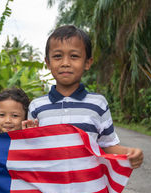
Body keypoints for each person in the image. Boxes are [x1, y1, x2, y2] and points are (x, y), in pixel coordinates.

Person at [23, 25, 143, 169]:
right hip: (50, 187)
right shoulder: (37, 106)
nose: (65, 63)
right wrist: (29, 136)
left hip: (88, 187)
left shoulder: (98, 104)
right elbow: (31, 151)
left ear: (87, 63)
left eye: (74, 56)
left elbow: (107, 146)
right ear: (48, 63)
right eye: (57, 56)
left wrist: (129, 153)